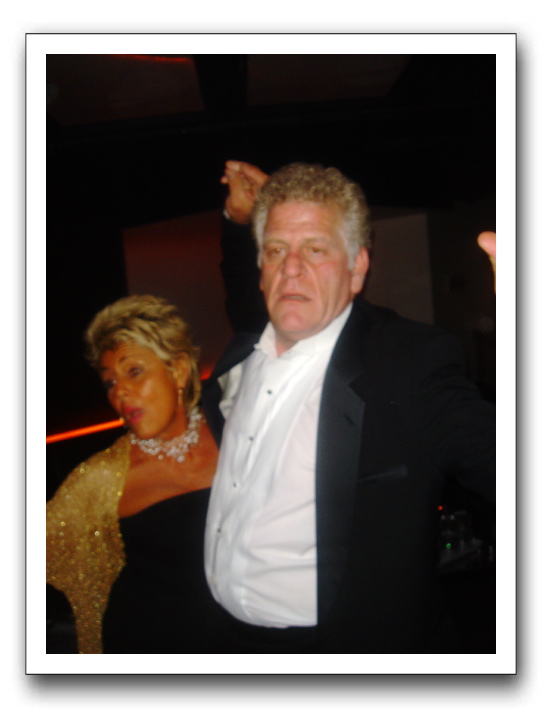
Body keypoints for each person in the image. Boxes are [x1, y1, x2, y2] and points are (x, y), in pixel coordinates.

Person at [202, 161, 496, 653]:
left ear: (357, 268)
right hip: (228, 643)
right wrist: (237, 222)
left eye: (315, 249)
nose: (290, 268)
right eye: (276, 250)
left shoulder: (410, 365)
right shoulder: (243, 348)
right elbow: (241, 283)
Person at [46, 295, 228, 653]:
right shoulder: (102, 476)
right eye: (110, 382)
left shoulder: (235, 432)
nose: (120, 393)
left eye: (133, 372)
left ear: (178, 370)